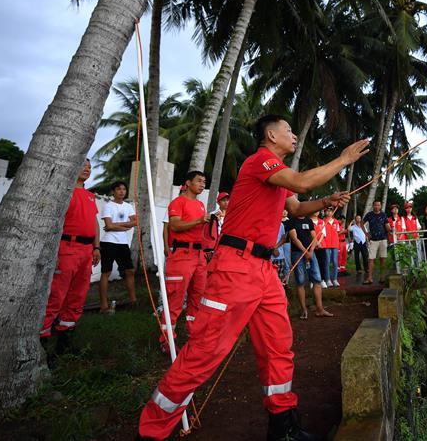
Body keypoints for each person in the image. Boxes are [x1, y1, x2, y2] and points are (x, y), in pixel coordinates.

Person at [138, 114, 368, 440]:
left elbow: (298, 206)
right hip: (235, 267)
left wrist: (326, 201)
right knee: (204, 352)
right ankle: (150, 432)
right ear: (271, 135)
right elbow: (302, 182)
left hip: (263, 271)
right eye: (289, 130)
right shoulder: (261, 162)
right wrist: (344, 159)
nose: (294, 136)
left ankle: (283, 427)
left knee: (278, 346)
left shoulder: (276, 175)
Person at [40, 159, 101, 353]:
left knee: (78, 295)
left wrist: (96, 247)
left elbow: (94, 223)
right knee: (57, 295)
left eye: (90, 167)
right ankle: (42, 339)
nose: (87, 169)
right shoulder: (64, 193)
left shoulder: (91, 196)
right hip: (67, 247)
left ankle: (64, 339)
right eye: (83, 165)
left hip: (86, 251)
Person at [161, 171, 210, 352]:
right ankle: (167, 339)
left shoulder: (200, 205)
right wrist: (199, 220)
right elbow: (174, 225)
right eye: (199, 181)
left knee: (198, 296)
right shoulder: (178, 202)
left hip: (199, 255)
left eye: (204, 182)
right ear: (188, 183)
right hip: (182, 253)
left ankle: (194, 334)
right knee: (175, 298)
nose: (202, 184)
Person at [99, 181, 138, 312]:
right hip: (109, 242)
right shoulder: (108, 206)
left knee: (129, 271)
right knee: (106, 272)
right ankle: (103, 305)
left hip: (122, 243)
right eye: (118, 189)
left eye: (124, 189)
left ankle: (133, 300)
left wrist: (115, 225)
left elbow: (135, 222)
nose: (122, 191)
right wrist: (125, 225)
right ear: (113, 192)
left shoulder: (128, 206)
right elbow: (108, 226)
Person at [286, 210, 327, 319]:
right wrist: (305, 251)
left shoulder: (308, 221)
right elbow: (294, 239)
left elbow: (314, 236)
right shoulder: (291, 221)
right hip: (297, 253)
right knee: (300, 281)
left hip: (310, 253)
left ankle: (320, 309)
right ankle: (304, 310)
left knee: (317, 279)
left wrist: (311, 251)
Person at [362, 200, 387, 285]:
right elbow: (362, 223)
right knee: (371, 259)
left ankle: (382, 277)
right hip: (373, 240)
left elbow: (387, 225)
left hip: (383, 239)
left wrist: (391, 230)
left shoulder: (383, 214)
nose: (377, 206)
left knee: (383, 259)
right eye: (375, 205)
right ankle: (369, 278)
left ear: (380, 206)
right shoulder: (369, 215)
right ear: (373, 206)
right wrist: (366, 233)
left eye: (378, 205)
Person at [203, 191, 229, 263]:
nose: (226, 202)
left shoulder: (232, 215)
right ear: (218, 202)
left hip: (227, 245)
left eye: (227, 200)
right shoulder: (213, 214)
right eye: (223, 200)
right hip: (215, 246)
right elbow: (208, 233)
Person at [321, 207, 340, 287]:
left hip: (335, 244)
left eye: (330, 211)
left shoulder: (336, 221)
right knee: (327, 261)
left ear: (333, 212)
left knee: (335, 262)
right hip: (326, 244)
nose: (329, 213)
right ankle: (328, 279)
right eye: (327, 211)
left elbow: (338, 232)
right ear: (325, 212)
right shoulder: (323, 222)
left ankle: (335, 279)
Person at [349, 215, 368, 280]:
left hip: (363, 242)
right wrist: (351, 222)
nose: (358, 219)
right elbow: (348, 229)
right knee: (356, 256)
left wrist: (367, 241)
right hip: (357, 242)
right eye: (357, 218)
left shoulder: (363, 225)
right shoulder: (353, 227)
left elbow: (366, 233)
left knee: (365, 255)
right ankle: (358, 269)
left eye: (359, 218)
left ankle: (366, 268)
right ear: (355, 219)